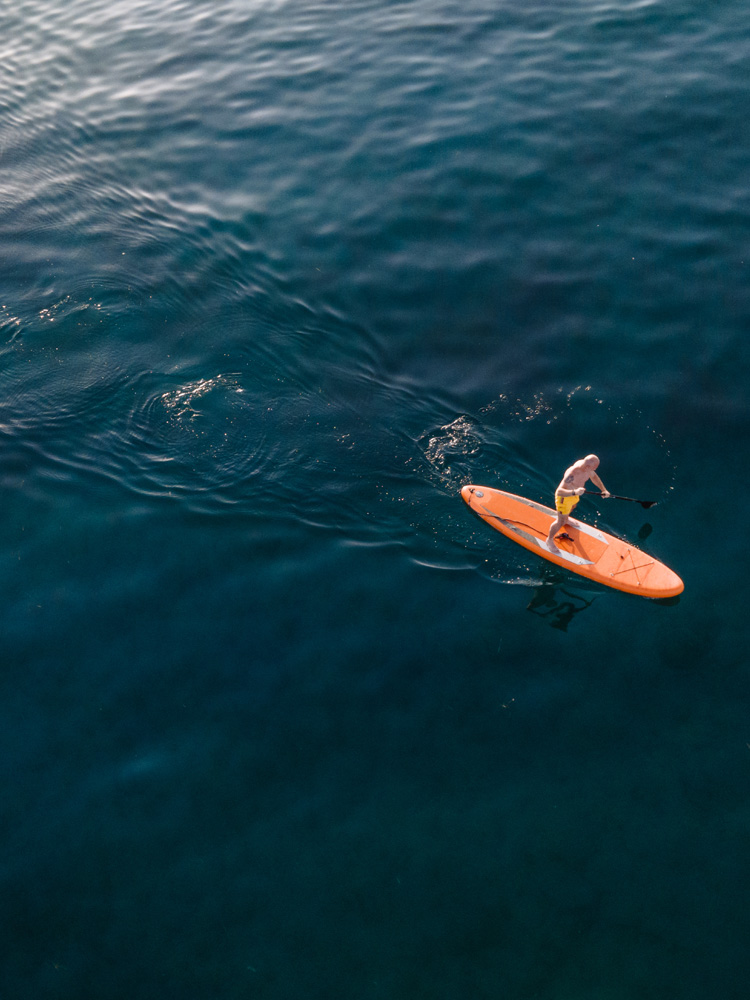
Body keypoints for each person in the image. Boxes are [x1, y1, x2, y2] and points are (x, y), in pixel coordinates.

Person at [545, 454, 610, 549]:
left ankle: (566, 519)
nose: (594, 470)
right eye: (594, 468)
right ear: (587, 466)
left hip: (574, 494)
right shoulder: (573, 473)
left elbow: (594, 477)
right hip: (565, 497)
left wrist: (603, 490)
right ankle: (549, 539)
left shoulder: (588, 469)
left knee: (573, 506)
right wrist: (575, 492)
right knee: (560, 521)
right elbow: (559, 491)